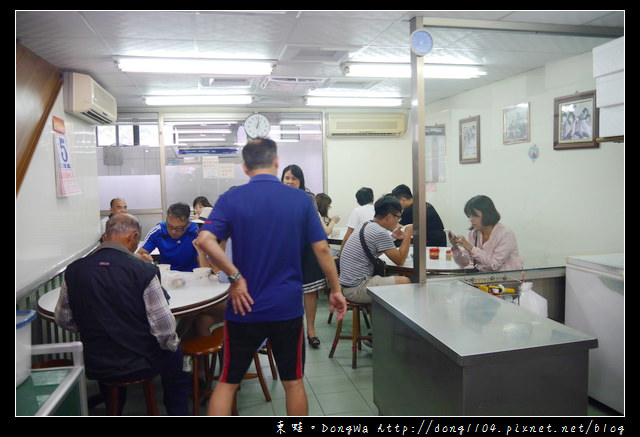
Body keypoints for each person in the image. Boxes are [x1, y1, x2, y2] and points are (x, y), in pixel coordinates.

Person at [196, 138, 346, 416]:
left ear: (244, 167)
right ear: (276, 163)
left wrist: (235, 276)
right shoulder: (301, 200)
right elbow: (323, 248)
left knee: (227, 382)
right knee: (294, 382)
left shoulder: (231, 198)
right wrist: (335, 289)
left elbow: (205, 240)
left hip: (244, 306)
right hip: (286, 307)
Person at [55, 213, 189, 415]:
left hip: (97, 361)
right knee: (175, 353)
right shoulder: (144, 271)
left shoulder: (74, 271)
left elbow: (64, 319)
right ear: (133, 236)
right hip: (141, 361)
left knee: (110, 367)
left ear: (106, 235)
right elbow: (164, 330)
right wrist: (171, 347)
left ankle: (113, 407)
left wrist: (97, 330)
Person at [281, 164, 325, 349]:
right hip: (284, 250)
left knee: (309, 291)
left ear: (300, 182)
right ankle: (289, 332)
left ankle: (311, 330)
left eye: (294, 178)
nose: (290, 181)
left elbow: (313, 224)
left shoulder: (308, 198)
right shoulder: (276, 197)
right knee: (286, 292)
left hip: (306, 249)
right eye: (287, 178)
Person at [339, 195, 413, 305]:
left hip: (347, 285)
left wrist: (392, 236)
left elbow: (372, 246)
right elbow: (400, 260)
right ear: (389, 216)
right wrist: (408, 234)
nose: (398, 221)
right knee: (405, 282)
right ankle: (395, 320)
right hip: (357, 289)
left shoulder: (366, 224)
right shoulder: (380, 232)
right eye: (398, 217)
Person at [449, 195, 523, 272]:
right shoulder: (473, 234)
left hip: (508, 279)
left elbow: (494, 265)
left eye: (475, 215)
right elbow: (465, 263)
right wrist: (455, 248)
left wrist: (471, 248)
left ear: (487, 214)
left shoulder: (506, 234)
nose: (471, 219)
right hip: (485, 279)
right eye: (469, 215)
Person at [137, 202, 206, 271]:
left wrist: (201, 253)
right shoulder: (158, 230)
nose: (173, 231)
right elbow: (138, 254)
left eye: (179, 228)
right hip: (167, 273)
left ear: (188, 224)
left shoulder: (196, 231)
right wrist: (143, 258)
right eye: (170, 226)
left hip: (192, 274)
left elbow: (205, 268)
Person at [339, 187, 375, 254]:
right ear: (373, 198)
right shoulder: (380, 210)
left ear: (358, 201)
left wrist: (340, 253)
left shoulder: (357, 211)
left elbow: (348, 236)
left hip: (362, 251)